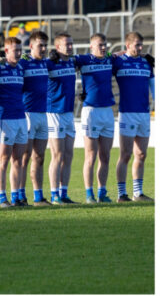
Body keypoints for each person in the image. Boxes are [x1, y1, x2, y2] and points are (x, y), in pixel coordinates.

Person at [0, 38, 28, 207]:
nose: (17, 53)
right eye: (14, 50)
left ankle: (15, 197)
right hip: (5, 119)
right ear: (6, 50)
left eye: (19, 50)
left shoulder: (20, 68)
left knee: (18, 159)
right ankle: (3, 198)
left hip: (21, 118)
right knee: (3, 160)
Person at [113, 32, 154, 203]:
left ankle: (138, 193)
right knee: (126, 154)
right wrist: (115, 54)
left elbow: (154, 85)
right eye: (136, 45)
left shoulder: (146, 63)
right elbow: (102, 65)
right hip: (127, 114)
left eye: (141, 45)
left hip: (144, 114)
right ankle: (121, 194)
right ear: (128, 45)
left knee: (142, 154)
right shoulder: (119, 62)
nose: (140, 48)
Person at [74, 33, 116, 203]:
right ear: (91, 46)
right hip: (90, 112)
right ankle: (89, 194)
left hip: (107, 111)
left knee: (105, 156)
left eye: (105, 44)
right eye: (100, 45)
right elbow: (63, 60)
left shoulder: (109, 59)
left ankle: (102, 192)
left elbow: (124, 53)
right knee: (90, 155)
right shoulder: (83, 59)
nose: (103, 47)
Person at [19, 31, 52, 206]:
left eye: (46, 45)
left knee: (39, 157)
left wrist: (111, 53)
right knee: (24, 157)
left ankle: (38, 196)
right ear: (31, 46)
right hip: (27, 114)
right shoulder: (23, 62)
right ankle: (20, 195)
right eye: (41, 45)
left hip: (42, 114)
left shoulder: (46, 63)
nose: (44, 49)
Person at [45, 33, 78, 205]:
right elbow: (30, 61)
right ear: (57, 47)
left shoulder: (72, 61)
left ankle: (64, 193)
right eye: (67, 44)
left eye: (71, 44)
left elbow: (98, 55)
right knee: (57, 155)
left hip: (68, 113)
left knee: (68, 155)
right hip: (54, 113)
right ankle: (54, 195)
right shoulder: (49, 63)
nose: (70, 47)